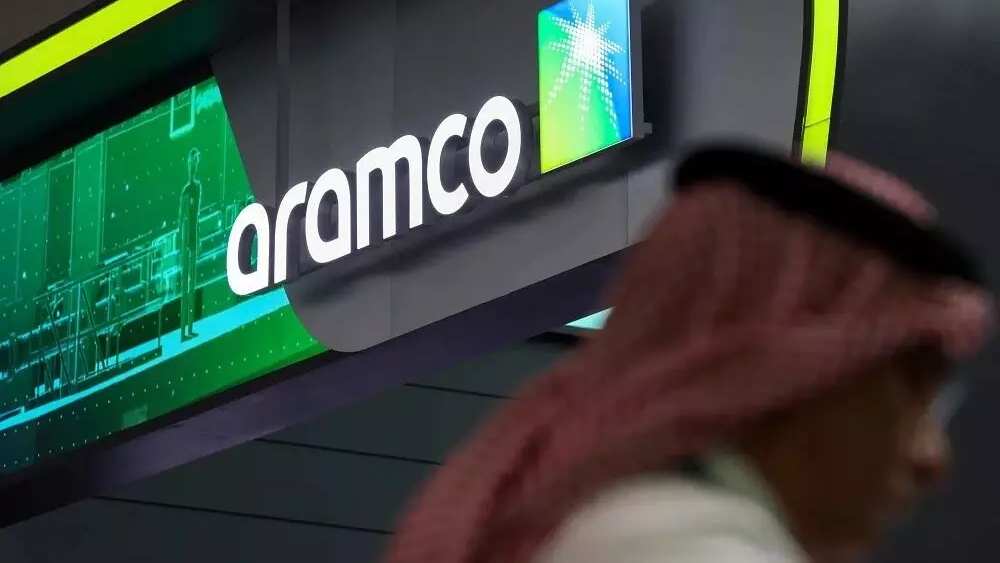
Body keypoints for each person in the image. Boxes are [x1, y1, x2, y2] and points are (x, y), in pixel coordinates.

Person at [383, 143, 994, 563]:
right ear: (774, 364)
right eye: (910, 389)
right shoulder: (686, 550)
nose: (931, 459)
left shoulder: (602, 531)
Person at [178, 148, 202, 342]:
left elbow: (196, 217)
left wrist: (197, 238)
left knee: (191, 286)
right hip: (187, 239)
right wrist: (182, 244)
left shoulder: (197, 188)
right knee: (185, 287)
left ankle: (190, 328)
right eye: (193, 161)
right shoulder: (186, 190)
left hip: (193, 237)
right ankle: (183, 331)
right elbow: (182, 219)